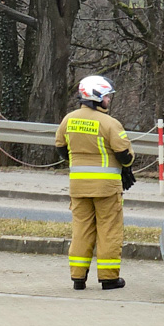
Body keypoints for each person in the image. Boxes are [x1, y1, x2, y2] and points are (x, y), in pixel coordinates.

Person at [55, 75, 134, 291]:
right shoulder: (110, 123)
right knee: (109, 231)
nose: (109, 100)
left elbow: (61, 148)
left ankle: (78, 278)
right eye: (107, 96)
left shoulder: (68, 119)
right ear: (97, 96)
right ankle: (109, 278)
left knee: (81, 230)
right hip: (107, 189)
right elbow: (125, 155)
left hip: (78, 187)